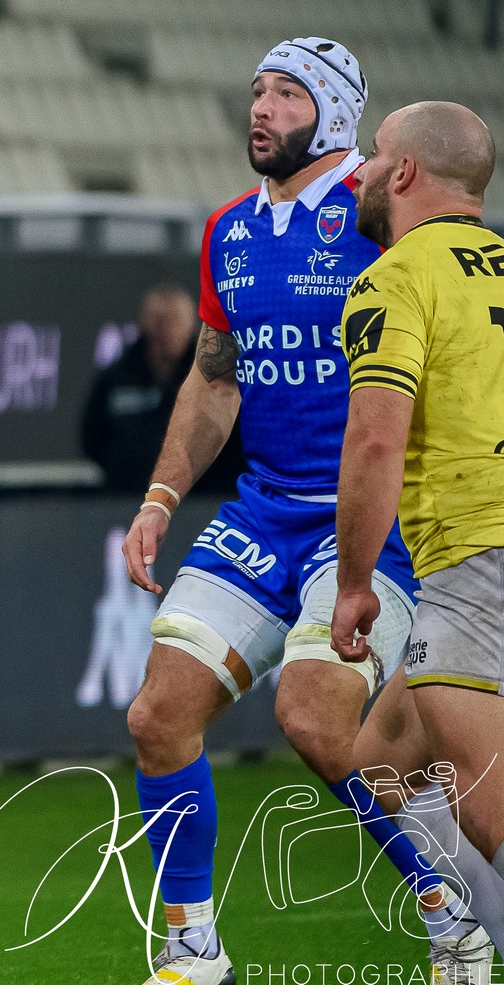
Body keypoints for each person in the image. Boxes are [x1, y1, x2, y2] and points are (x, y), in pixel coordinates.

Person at [116, 41, 487, 985]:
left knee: (317, 719)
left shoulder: (380, 215)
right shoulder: (228, 231)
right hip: (263, 511)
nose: (262, 108)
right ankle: (193, 947)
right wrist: (161, 495)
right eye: (256, 92)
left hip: (369, 520)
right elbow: (213, 380)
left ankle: (454, 914)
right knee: (158, 713)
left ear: (333, 114)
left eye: (286, 94)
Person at [333, 101, 504, 979]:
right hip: (480, 563)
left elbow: (374, 441)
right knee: (378, 766)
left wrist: (354, 581)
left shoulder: (398, 279)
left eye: (373, 156)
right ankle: (467, 947)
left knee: (487, 804)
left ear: (403, 175)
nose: (359, 170)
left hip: (477, 557)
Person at [80, 284, 246, 497]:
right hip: (128, 498)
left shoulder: (215, 375)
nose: (166, 329)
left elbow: (235, 435)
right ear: (144, 323)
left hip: (201, 499)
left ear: (192, 324)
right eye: (159, 321)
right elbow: (92, 437)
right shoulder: (116, 377)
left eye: (174, 320)